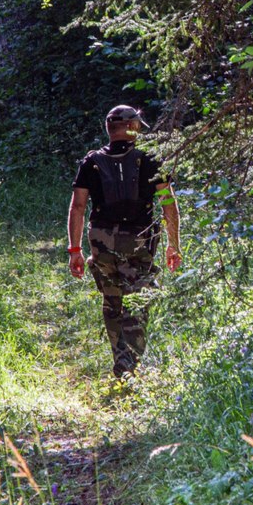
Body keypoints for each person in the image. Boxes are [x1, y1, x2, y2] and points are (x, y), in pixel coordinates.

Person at [67, 105, 181, 377]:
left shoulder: (91, 162)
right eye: (138, 124)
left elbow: (78, 207)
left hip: (101, 240)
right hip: (139, 240)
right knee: (138, 299)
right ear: (130, 127)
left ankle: (121, 359)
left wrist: (75, 250)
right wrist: (173, 244)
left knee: (112, 300)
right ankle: (130, 363)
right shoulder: (149, 159)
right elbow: (168, 204)